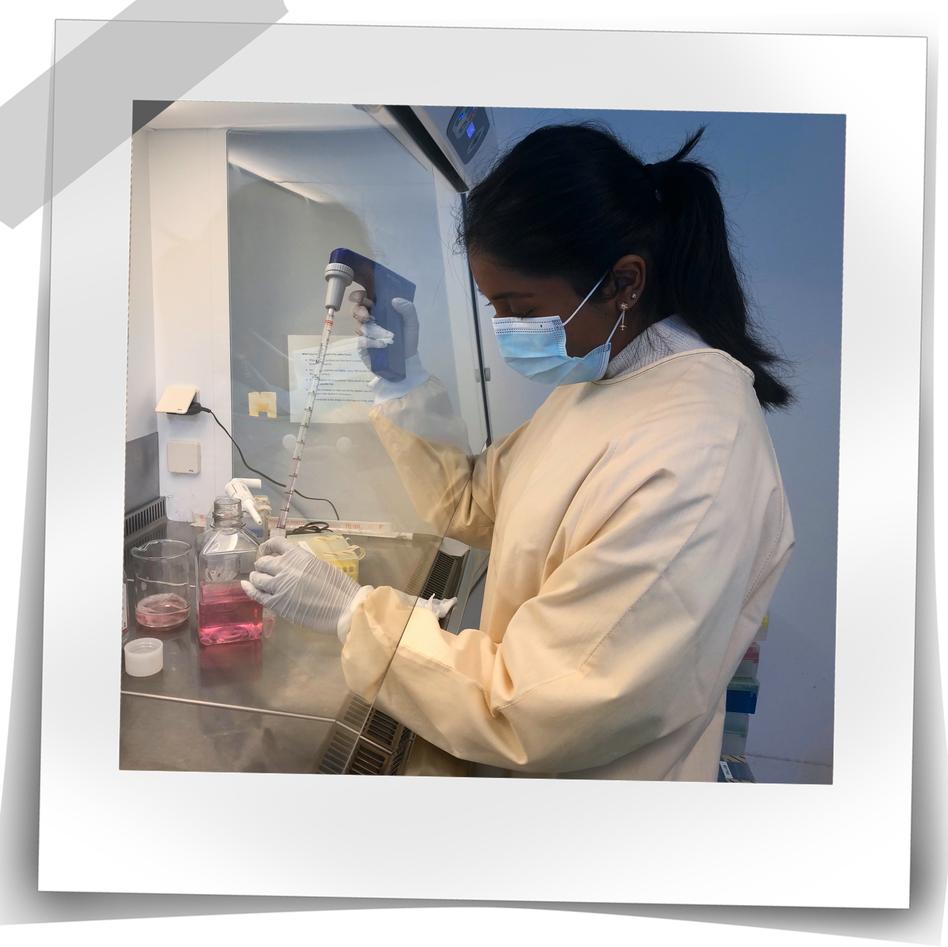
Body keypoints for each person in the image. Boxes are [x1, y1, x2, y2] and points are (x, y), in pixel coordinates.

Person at [242, 123, 796, 780]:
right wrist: (402, 375)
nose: (507, 329)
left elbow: (536, 705)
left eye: (520, 307)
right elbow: (478, 502)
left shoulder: (692, 460)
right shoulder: (605, 381)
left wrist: (352, 613)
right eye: (494, 307)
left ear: (624, 282)